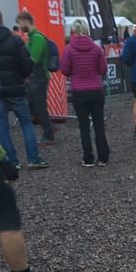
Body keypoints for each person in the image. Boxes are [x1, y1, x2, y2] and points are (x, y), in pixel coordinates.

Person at [0, 0, 63, 272]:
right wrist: (2, 159)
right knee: (7, 212)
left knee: (4, 124)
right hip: (10, 99)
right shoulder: (16, 41)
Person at [0, 7, 49, 170]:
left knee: (2, 125)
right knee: (26, 123)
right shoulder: (15, 40)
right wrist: (22, 76)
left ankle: (12, 161)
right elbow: (27, 62)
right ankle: (33, 158)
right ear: (2, 19)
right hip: (16, 87)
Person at [60, 19, 109, 167]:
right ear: (87, 31)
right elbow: (103, 70)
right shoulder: (96, 49)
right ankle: (103, 157)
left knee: (84, 126)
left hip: (79, 91)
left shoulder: (68, 49)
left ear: (73, 32)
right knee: (99, 125)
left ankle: (88, 158)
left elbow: (64, 70)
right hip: (95, 89)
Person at [15, 10, 55, 145]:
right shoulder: (33, 38)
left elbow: (33, 59)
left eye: (20, 23)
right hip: (35, 77)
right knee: (33, 104)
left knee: (39, 106)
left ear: (26, 21)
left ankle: (49, 134)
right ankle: (48, 128)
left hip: (40, 77)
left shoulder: (37, 38)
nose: (20, 27)